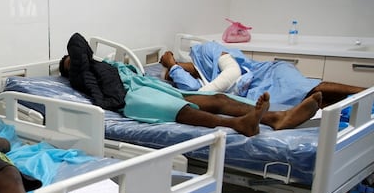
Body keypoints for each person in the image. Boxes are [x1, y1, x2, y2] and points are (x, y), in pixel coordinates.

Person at [60, 33, 322, 137]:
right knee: (182, 108)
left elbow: (82, 48)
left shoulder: (102, 65)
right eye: (71, 62)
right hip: (132, 99)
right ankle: (237, 124)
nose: (77, 60)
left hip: (143, 84)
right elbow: (77, 42)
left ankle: (276, 117)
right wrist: (72, 63)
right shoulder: (82, 75)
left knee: (217, 100)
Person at [159, 40, 366, 108]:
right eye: (173, 75)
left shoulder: (205, 51)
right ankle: (360, 110)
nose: (176, 75)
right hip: (253, 92)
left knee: (308, 89)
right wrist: (174, 71)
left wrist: (171, 64)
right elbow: (196, 92)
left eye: (175, 69)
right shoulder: (194, 80)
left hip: (267, 74)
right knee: (310, 101)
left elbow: (233, 72)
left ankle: (367, 92)